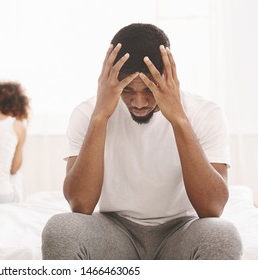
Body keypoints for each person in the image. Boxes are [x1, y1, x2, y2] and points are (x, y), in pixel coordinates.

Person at [42, 23, 242, 259]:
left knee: (222, 234)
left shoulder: (205, 113)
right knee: (60, 229)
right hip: (115, 230)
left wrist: (178, 119)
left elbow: (213, 208)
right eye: (128, 90)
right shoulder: (88, 113)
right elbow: (81, 206)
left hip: (180, 231)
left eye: (149, 90)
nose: (139, 102)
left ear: (169, 77)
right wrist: (100, 117)